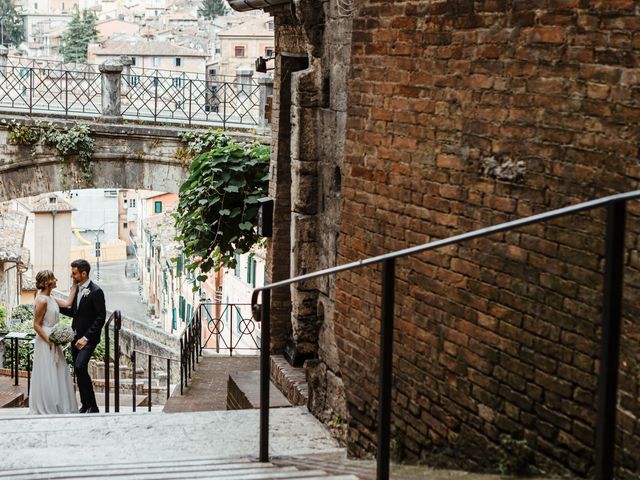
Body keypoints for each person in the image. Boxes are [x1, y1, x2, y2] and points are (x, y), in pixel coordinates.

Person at [60, 259, 106, 414]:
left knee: (80, 366)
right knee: (78, 370)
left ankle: (93, 406)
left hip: (88, 339)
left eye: (74, 273)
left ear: (83, 273)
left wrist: (86, 338)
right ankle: (85, 404)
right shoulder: (77, 290)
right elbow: (74, 313)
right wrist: (55, 306)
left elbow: (100, 318)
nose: (71, 276)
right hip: (75, 337)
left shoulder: (96, 291)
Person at [29, 270, 79, 415]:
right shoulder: (42, 300)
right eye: (53, 278)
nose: (56, 279)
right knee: (48, 370)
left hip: (53, 337)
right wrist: (49, 341)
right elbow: (36, 325)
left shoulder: (50, 297)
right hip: (46, 339)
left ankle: (59, 403)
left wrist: (74, 286)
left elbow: (68, 303)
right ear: (47, 283)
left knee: (58, 369)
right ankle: (48, 404)